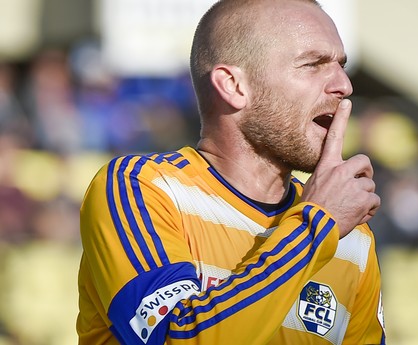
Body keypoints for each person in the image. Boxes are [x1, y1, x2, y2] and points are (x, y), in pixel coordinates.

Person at [76, 0, 385, 344]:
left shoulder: (353, 240)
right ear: (234, 86)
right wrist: (316, 226)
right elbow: (177, 338)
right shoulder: (143, 188)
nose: (344, 85)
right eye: (313, 64)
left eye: (341, 66)